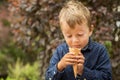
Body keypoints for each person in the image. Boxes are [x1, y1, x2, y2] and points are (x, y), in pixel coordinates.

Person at [45, 0, 112, 80]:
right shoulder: (60, 51)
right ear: (63, 34)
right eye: (69, 36)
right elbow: (48, 77)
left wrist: (83, 71)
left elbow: (107, 77)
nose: (75, 40)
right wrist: (60, 66)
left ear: (90, 30)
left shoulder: (100, 51)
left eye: (80, 35)